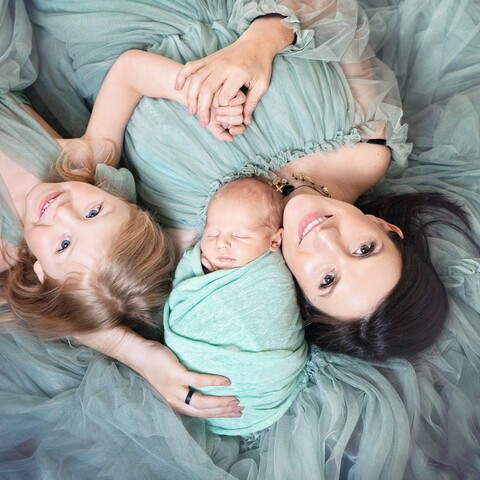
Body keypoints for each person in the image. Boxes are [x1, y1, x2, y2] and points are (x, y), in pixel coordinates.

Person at [0, 0, 479, 478]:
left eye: (328, 279)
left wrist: (142, 356)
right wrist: (261, 42)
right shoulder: (370, 149)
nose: (326, 239)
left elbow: (79, 288)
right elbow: (332, 13)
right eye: (364, 249)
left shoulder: (201, 240)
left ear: (301, 297)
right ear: (386, 228)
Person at [164, 178, 308, 435]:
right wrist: (198, 270)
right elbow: (182, 290)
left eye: (240, 235)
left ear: (274, 241)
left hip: (259, 383)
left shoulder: (271, 275)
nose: (222, 244)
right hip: (184, 381)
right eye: (212, 234)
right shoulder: (202, 260)